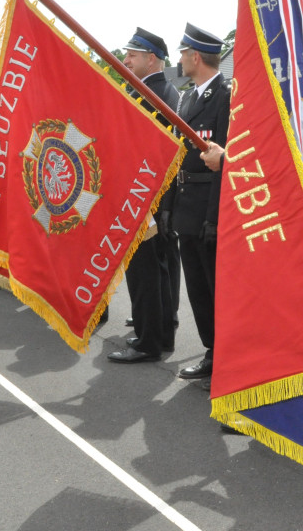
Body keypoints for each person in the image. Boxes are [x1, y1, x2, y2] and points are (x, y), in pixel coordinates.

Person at [107, 28, 181, 363]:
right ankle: (159, 334)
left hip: (145, 201)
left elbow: (154, 154)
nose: (125, 60)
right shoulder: (148, 91)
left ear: (151, 58)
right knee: (156, 274)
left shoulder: (155, 95)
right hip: (149, 200)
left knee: (147, 275)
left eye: (132, 55)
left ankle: (148, 342)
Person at [167, 23, 230, 380]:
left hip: (211, 206)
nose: (179, 60)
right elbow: (179, 158)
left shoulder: (225, 95)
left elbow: (225, 161)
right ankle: (211, 352)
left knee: (216, 289)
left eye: (182, 53)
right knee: (197, 289)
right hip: (187, 207)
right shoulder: (188, 96)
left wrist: (215, 217)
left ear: (194, 56)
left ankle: (226, 359)